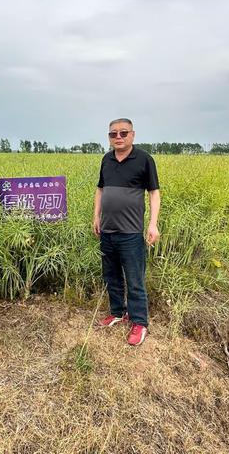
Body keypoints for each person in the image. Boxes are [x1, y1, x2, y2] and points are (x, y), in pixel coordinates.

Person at [93, 118, 160, 346]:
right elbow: (100, 190)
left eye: (123, 133)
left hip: (131, 232)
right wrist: (96, 216)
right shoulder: (106, 159)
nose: (118, 137)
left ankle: (139, 322)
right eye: (113, 134)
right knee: (111, 276)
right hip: (108, 231)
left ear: (132, 135)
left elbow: (153, 193)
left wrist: (153, 224)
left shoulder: (144, 160)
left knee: (134, 279)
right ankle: (118, 313)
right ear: (109, 137)